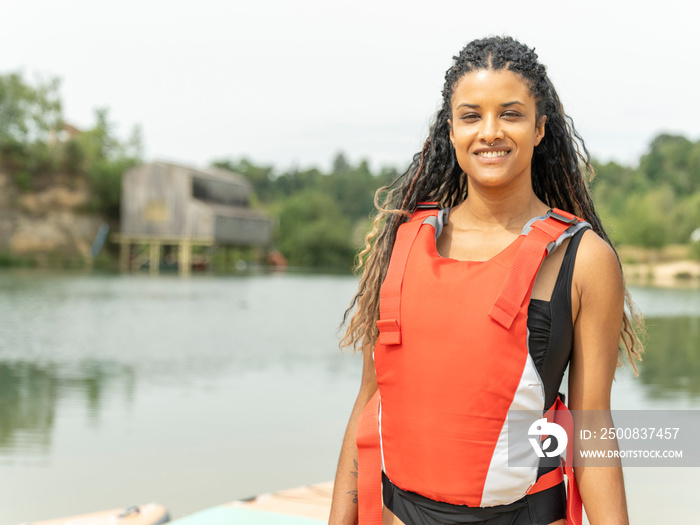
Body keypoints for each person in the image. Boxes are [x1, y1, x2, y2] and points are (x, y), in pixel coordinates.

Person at [328, 36, 642, 525]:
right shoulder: (402, 243)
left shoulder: (585, 260)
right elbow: (369, 403)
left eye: (511, 114)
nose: (490, 132)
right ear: (450, 130)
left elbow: (591, 428)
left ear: (540, 129)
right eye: (471, 116)